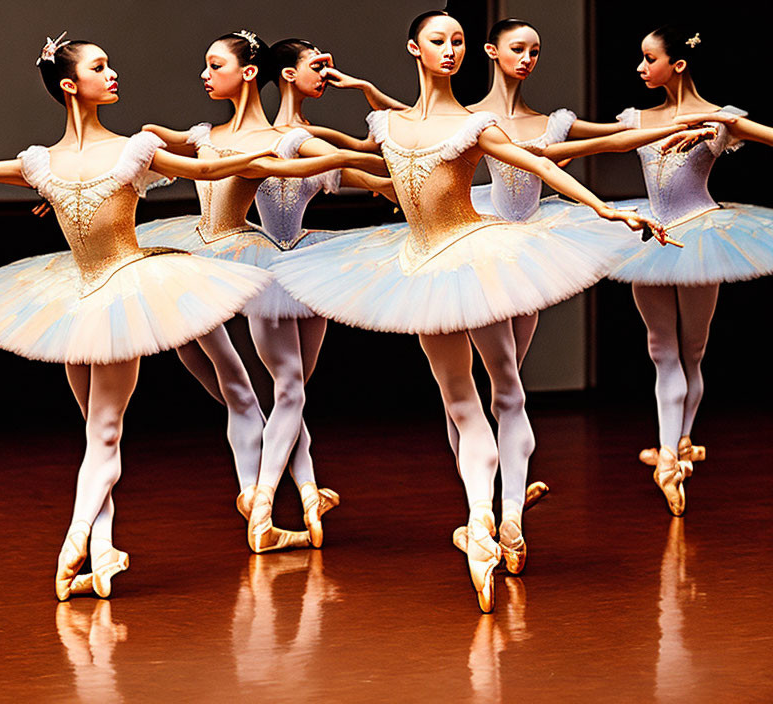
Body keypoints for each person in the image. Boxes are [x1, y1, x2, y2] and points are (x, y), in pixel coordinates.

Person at [0, 33, 304, 600]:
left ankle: (88, 547)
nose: (113, 73)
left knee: (99, 436)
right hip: (103, 297)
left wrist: (280, 152)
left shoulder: (70, 160)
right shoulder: (76, 158)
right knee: (100, 434)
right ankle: (87, 547)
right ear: (72, 85)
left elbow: (206, 171)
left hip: (96, 298)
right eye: (101, 67)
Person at [272, 11, 669, 613]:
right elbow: (372, 163)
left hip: (477, 255)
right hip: (423, 265)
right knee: (463, 401)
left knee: (504, 390)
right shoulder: (385, 123)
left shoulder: (473, 123)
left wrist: (609, 210)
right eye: (440, 40)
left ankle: (501, 520)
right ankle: (484, 525)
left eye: (458, 41)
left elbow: (539, 164)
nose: (452, 50)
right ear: (414, 48)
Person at [135, 30, 390, 553]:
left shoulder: (286, 138)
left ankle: (277, 498)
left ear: (250, 73)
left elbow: (360, 162)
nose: (204, 75)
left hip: (284, 259)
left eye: (213, 65)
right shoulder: (210, 133)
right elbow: (153, 144)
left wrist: (398, 168)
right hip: (219, 258)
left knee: (282, 392)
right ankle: (283, 497)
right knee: (273, 391)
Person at [606, 25, 773, 515]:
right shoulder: (635, 118)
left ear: (676, 65)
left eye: (649, 58)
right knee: (661, 350)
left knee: (692, 350)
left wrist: (715, 126)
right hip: (650, 235)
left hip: (702, 233)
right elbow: (592, 145)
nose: (640, 67)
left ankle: (680, 441)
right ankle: (667, 460)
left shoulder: (720, 119)